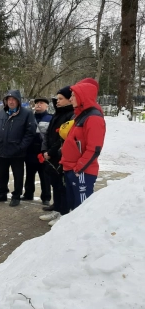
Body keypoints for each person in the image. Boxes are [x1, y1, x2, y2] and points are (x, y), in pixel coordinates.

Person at [59, 79, 105, 213]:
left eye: (73, 95)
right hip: (71, 168)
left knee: (82, 210)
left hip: (81, 171)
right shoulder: (80, 115)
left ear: (82, 96)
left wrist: (78, 169)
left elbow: (94, 149)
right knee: (73, 208)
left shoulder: (93, 118)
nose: (71, 98)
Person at [0, 90, 36, 207]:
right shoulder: (1, 113)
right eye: (8, 99)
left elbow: (30, 133)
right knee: (2, 174)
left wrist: (21, 147)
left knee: (18, 175)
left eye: (13, 99)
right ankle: (2, 193)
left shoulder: (26, 114)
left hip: (17, 152)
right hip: (1, 150)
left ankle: (16, 196)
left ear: (18, 101)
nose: (11, 101)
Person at [39, 86, 74, 226]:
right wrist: (45, 150)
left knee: (62, 186)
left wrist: (51, 152)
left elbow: (64, 139)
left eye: (60, 99)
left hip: (60, 156)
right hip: (50, 156)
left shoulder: (71, 115)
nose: (57, 101)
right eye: (57, 99)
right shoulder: (57, 114)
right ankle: (57, 209)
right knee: (55, 184)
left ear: (68, 100)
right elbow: (48, 134)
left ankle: (63, 213)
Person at [21, 97, 52, 204]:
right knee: (29, 174)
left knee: (44, 176)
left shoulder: (50, 118)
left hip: (43, 151)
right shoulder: (30, 118)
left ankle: (46, 197)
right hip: (30, 151)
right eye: (37, 103)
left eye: (41, 103)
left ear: (46, 106)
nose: (38, 105)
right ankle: (28, 194)